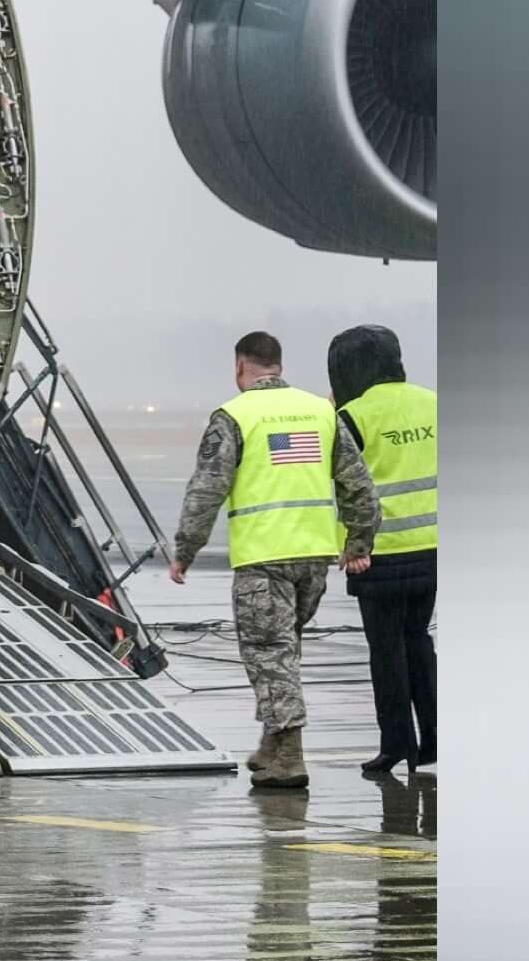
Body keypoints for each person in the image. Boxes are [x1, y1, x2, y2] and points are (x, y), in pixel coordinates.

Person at [167, 330, 381, 790]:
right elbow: (359, 486)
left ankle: (289, 756)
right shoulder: (320, 411)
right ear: (278, 366)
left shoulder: (234, 415)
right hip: (313, 559)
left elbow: (207, 489)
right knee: (282, 653)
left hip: (265, 557)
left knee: (269, 654)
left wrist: (185, 550)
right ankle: (272, 744)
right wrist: (358, 543)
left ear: (240, 368)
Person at [327, 322, 437, 777]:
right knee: (419, 640)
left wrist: (353, 547)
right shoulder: (433, 402)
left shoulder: (353, 416)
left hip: (378, 554)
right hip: (432, 549)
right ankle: (434, 737)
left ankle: (396, 744)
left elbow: (353, 491)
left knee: (385, 651)